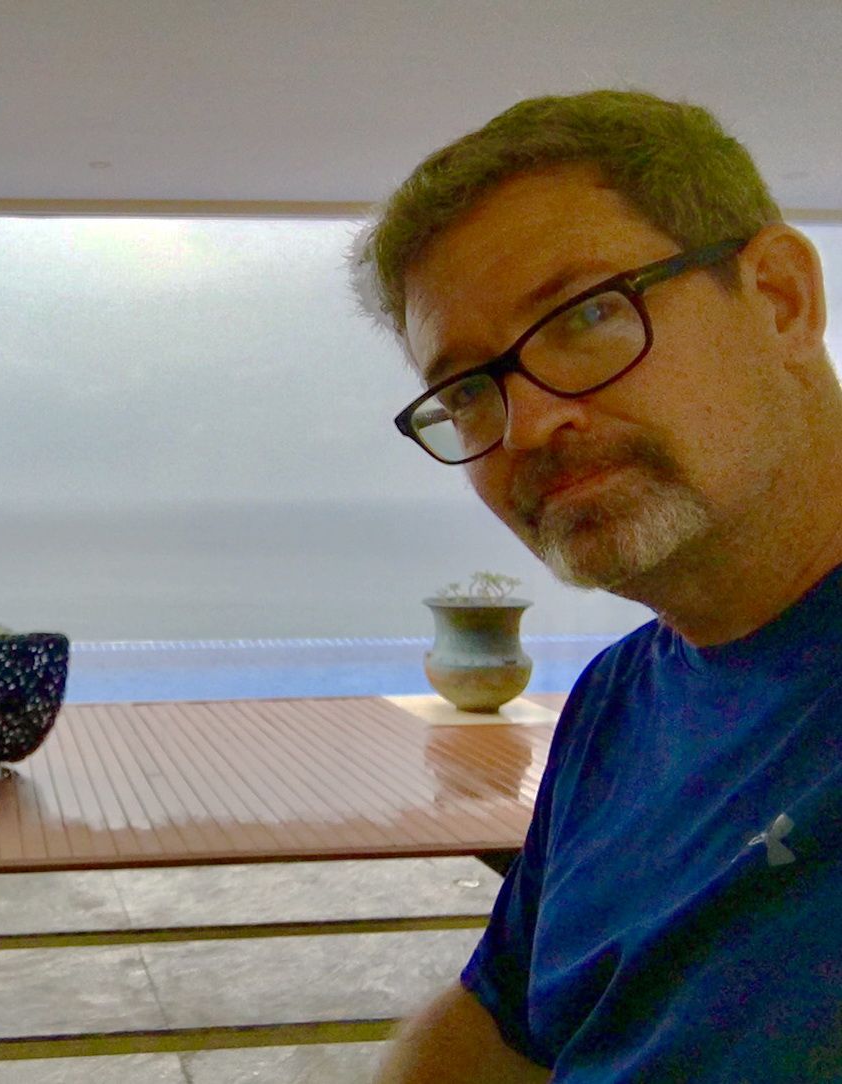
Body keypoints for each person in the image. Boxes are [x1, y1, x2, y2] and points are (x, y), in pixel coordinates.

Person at [350, 89, 842, 1081]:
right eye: (468, 389)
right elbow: (498, 1021)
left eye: (586, 316)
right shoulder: (620, 698)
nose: (530, 426)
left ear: (780, 298)